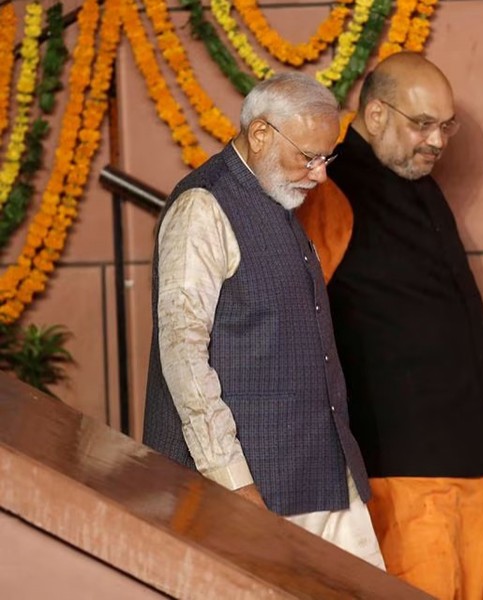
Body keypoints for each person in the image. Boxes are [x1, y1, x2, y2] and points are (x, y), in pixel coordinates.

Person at [142, 72, 384, 569]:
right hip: (245, 491)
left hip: (320, 476)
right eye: (309, 157)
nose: (319, 175)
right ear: (260, 134)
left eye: (326, 158)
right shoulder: (202, 206)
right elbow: (183, 354)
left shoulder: (279, 196)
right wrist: (233, 481)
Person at [319, 52, 483, 599]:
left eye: (446, 126)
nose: (437, 141)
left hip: (472, 460)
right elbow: (293, 324)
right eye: (422, 124)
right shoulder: (330, 187)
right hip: (400, 469)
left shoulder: (418, 182)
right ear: (377, 113)